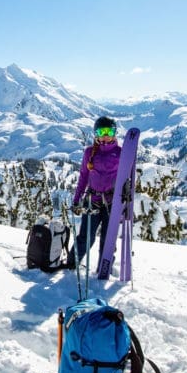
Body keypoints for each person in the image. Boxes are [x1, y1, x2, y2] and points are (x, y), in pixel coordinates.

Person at [70, 116, 123, 270]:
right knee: (86, 238)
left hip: (112, 203)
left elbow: (127, 180)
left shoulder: (120, 154)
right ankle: (72, 264)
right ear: (95, 134)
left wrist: (125, 206)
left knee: (108, 240)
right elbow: (83, 177)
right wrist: (76, 199)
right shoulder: (90, 153)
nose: (105, 135)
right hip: (92, 201)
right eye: (101, 131)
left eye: (109, 131)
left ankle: (104, 269)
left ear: (115, 133)